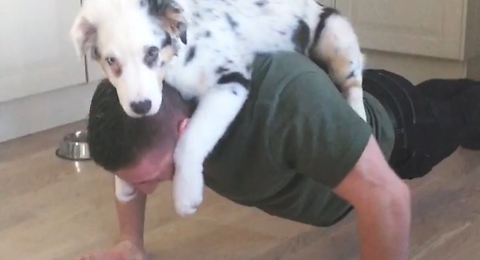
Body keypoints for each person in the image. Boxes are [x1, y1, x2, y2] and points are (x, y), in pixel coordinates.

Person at [79, 51, 480, 260]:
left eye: (153, 174)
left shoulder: (282, 103)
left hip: (399, 133)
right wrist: (130, 242)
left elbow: (389, 199)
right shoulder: (151, 103)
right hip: (339, 103)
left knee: (460, 112)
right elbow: (133, 165)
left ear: (186, 132)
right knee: (436, 96)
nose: (144, 186)